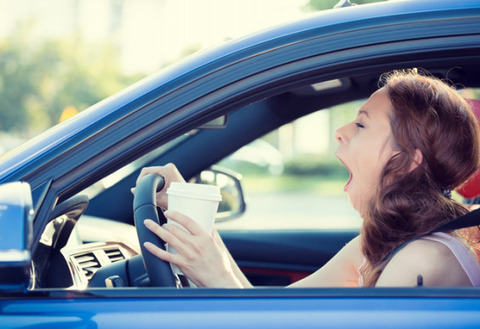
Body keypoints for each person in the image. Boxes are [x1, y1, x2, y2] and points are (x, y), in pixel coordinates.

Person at [136, 70, 480, 288]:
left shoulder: (421, 260)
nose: (340, 132)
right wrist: (198, 220)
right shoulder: (381, 245)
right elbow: (276, 312)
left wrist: (212, 273)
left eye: (360, 124)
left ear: (406, 160)